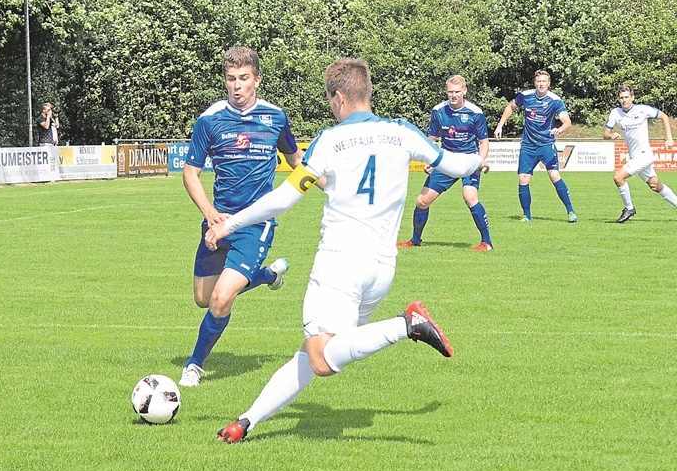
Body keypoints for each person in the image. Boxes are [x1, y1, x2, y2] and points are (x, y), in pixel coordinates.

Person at [205, 58, 482, 443]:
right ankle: (247, 421)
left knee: (321, 359)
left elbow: (284, 198)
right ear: (367, 91)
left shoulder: (329, 140)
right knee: (315, 351)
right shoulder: (402, 132)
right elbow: (455, 163)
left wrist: (229, 223)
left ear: (338, 97)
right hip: (382, 269)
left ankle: (407, 324)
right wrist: (480, 158)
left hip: (340, 263)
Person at [179, 46, 303, 387]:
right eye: (231, 79)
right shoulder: (210, 120)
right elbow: (191, 174)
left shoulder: (276, 117)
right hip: (218, 222)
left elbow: (296, 161)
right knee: (203, 299)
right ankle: (266, 276)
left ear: (257, 80)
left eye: (244, 79)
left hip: (255, 224)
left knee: (220, 299)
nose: (237, 86)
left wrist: (331, 182)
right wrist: (211, 215)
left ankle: (194, 365)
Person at [397, 75, 493, 251]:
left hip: (468, 160)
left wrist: (480, 160)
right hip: (446, 160)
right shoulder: (438, 111)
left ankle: (487, 243)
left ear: (465, 91)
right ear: (446, 91)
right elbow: (431, 140)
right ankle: (415, 241)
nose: (453, 95)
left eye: (457, 91)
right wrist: (430, 160)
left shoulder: (475, 113)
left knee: (470, 197)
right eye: (450, 92)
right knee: (422, 201)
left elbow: (484, 142)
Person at [493, 69, 577, 223]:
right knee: (523, 179)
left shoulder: (555, 100)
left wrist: (559, 129)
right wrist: (500, 126)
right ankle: (527, 215)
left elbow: (567, 122)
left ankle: (570, 211)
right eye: (539, 81)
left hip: (546, 144)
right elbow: (510, 107)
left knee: (554, 176)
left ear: (549, 83)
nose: (541, 84)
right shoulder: (525, 96)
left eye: (544, 81)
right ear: (535, 82)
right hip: (528, 145)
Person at [603, 84, 677, 222]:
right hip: (636, 156)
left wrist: (669, 137)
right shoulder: (615, 113)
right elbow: (605, 134)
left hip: (645, 155)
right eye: (621, 98)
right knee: (655, 185)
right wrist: (611, 135)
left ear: (632, 97)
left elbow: (664, 116)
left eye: (626, 97)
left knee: (618, 177)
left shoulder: (642, 110)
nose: (624, 100)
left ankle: (629, 208)